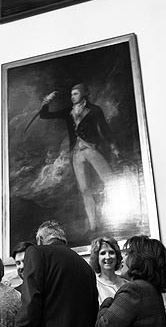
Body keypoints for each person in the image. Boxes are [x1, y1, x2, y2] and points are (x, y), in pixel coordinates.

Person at [38, 83, 120, 232]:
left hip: (91, 149)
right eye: (71, 94)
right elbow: (45, 115)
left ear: (83, 94)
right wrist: (47, 101)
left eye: (75, 94)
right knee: (85, 189)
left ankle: (116, 216)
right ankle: (93, 225)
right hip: (76, 153)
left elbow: (105, 129)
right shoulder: (68, 111)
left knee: (109, 180)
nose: (72, 97)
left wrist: (113, 147)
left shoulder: (94, 110)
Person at [90, 235, 127, 306]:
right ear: (96, 258)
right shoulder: (93, 285)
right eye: (103, 253)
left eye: (111, 252)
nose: (108, 257)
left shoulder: (126, 282)